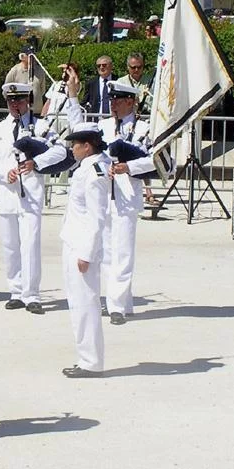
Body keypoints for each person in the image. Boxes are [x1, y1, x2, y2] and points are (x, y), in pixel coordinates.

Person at [0, 82, 63, 315]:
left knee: (30, 244)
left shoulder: (41, 126)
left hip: (30, 193)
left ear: (28, 100)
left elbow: (59, 150)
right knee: (10, 246)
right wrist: (3, 171)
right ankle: (16, 291)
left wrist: (36, 163)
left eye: (19, 100)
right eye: (10, 100)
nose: (15, 104)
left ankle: (32, 294)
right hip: (6, 193)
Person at [94, 83, 153, 326]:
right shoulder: (104, 126)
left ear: (131, 101)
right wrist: (103, 168)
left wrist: (129, 167)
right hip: (105, 192)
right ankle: (118, 300)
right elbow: (93, 155)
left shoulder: (144, 128)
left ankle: (116, 305)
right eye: (111, 99)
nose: (113, 104)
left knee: (123, 251)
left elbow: (156, 160)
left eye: (118, 99)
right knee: (107, 251)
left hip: (128, 194)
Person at [59, 124, 111, 379]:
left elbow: (97, 216)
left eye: (75, 144)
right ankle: (86, 357)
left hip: (82, 246)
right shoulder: (88, 167)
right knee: (77, 303)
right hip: (74, 241)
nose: (72, 148)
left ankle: (91, 361)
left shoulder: (94, 172)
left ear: (87, 146)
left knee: (85, 303)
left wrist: (86, 253)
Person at [4, 47, 46, 115]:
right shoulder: (15, 71)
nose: (33, 57)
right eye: (30, 55)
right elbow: (6, 91)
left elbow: (42, 90)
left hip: (37, 112)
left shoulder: (40, 71)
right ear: (22, 56)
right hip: (21, 113)